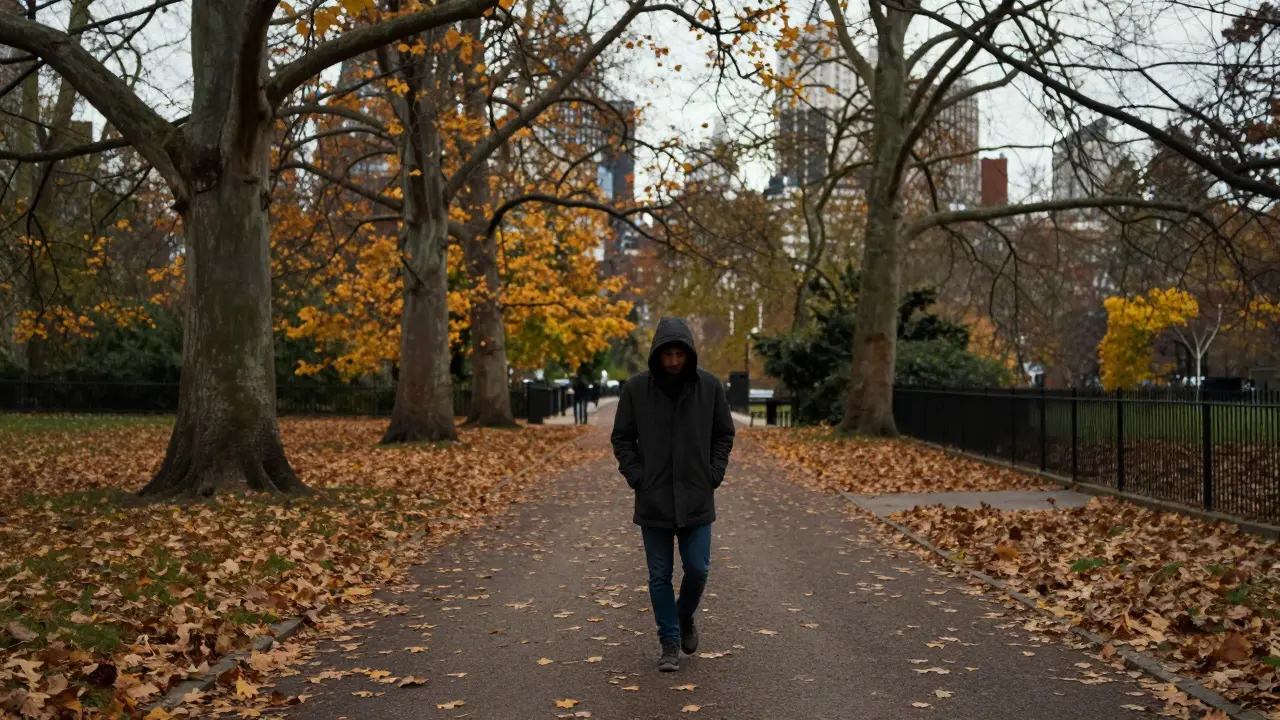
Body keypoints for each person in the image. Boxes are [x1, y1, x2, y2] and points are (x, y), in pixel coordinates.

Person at [610, 317, 735, 672]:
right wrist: (637, 477)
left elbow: (724, 433)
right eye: (669, 354)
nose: (675, 361)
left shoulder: (709, 388)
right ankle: (669, 641)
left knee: (697, 569)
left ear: (689, 354)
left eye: (681, 353)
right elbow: (622, 438)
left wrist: (714, 473)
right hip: (654, 499)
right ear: (657, 355)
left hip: (697, 496)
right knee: (659, 575)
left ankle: (683, 616)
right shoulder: (636, 390)